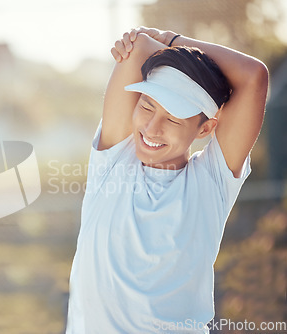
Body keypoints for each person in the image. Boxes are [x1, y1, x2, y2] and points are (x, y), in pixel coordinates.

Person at [66, 27, 268, 333]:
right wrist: (154, 44)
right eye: (147, 105)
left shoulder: (211, 182)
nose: (152, 127)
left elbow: (253, 75)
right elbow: (139, 47)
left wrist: (171, 41)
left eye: (173, 118)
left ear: (205, 128)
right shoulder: (115, 160)